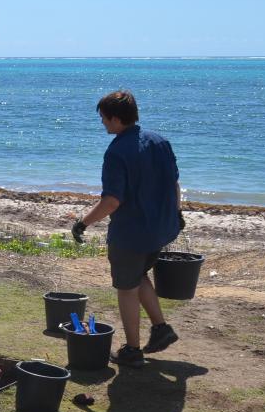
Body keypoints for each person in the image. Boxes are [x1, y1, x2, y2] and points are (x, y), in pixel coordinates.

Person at [71, 90, 183, 368]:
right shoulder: (160, 141)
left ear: (117, 119)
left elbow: (111, 200)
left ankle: (132, 349)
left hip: (132, 233)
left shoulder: (118, 151)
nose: (102, 124)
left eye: (104, 118)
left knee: (126, 288)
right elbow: (175, 185)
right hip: (160, 229)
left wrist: (83, 223)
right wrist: (176, 213)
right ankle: (161, 329)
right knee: (138, 276)